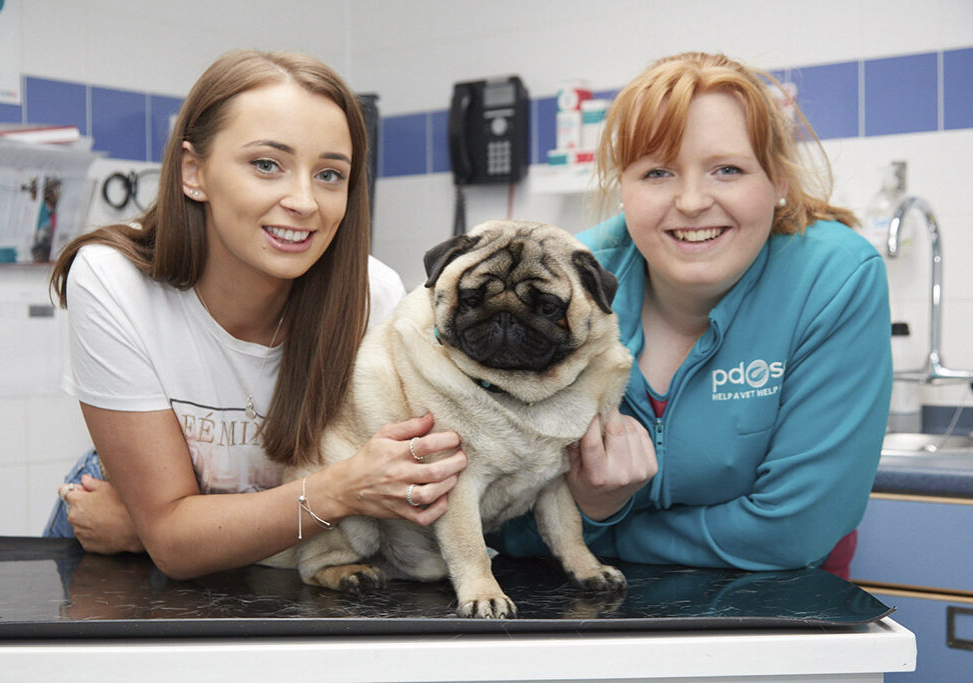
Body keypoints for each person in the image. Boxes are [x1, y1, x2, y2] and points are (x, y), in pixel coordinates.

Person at [44, 50, 467, 580]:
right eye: (267, 165)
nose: (304, 201)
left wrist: (154, 534)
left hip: (279, 555)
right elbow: (176, 538)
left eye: (330, 174)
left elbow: (406, 499)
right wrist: (343, 489)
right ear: (193, 172)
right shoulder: (113, 280)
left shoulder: (372, 296)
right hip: (111, 555)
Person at [494, 52, 892, 578]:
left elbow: (797, 532)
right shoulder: (565, 285)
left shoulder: (833, 277)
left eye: (727, 169)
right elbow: (494, 518)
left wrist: (596, 521)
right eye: (657, 172)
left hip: (781, 602)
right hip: (584, 604)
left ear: (779, 182)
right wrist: (583, 515)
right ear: (623, 189)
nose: (691, 201)